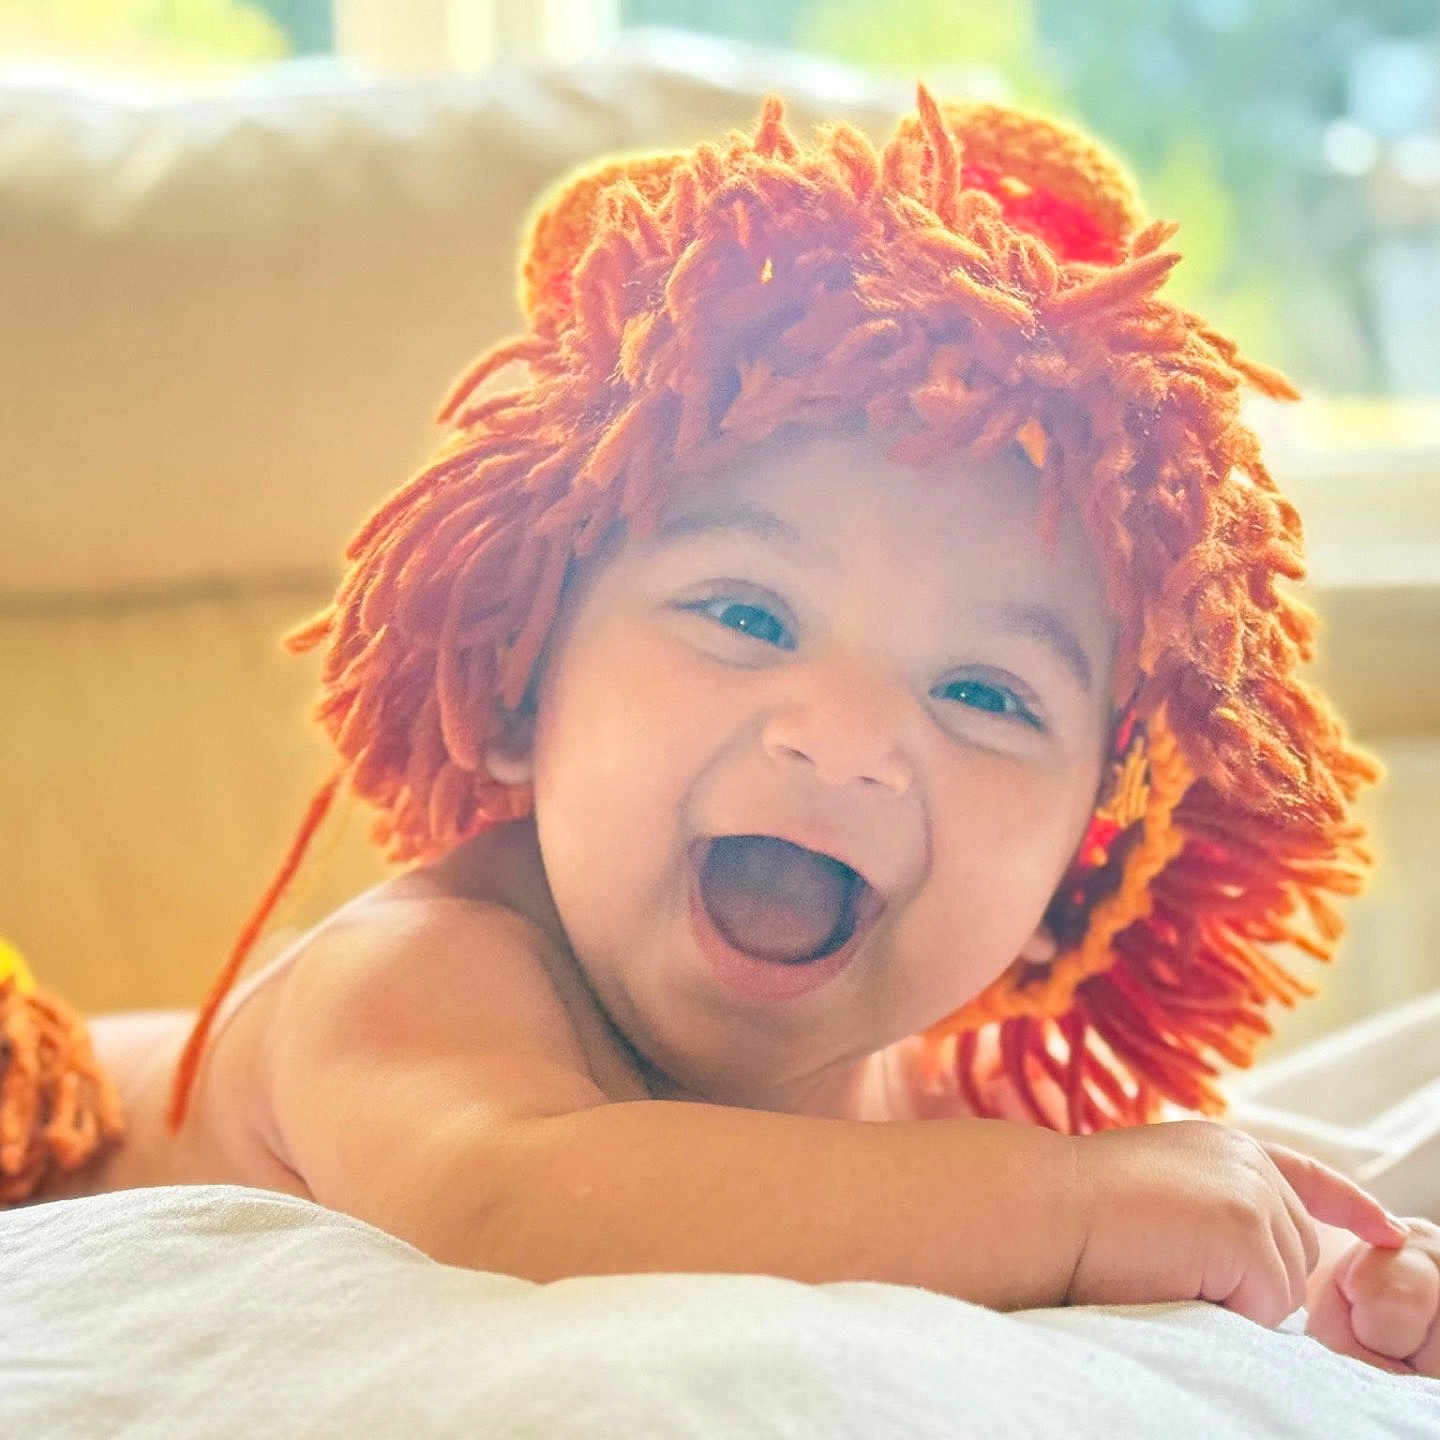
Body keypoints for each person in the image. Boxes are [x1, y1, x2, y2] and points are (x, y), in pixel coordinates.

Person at [4, 89, 1436, 1377]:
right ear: (518, 684)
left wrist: (1319, 1271)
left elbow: (1125, 1217)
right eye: (746, 613)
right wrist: (1074, 1213)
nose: (844, 735)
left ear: (1088, 855)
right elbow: (506, 1200)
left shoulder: (928, 1108)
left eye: (986, 695)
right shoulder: (419, 979)